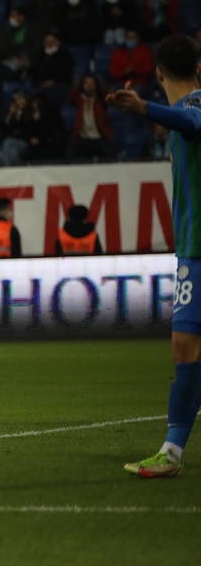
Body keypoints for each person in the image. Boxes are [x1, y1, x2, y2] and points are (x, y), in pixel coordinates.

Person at [108, 36, 201, 477]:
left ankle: (172, 451)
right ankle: (172, 452)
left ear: (158, 73)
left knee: (185, 347)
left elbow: (191, 123)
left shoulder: (195, 108)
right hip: (193, 250)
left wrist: (144, 109)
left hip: (199, 252)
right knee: (185, 346)